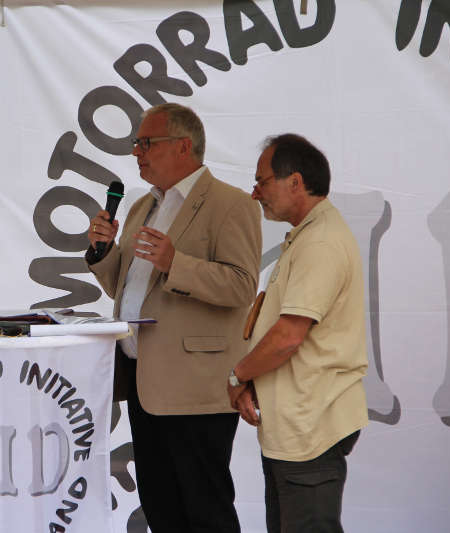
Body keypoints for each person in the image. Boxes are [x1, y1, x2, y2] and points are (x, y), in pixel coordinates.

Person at [86, 103, 262, 532]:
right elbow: (126, 290)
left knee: (205, 509)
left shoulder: (230, 204)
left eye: (146, 143)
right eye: (135, 144)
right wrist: (102, 252)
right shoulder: (144, 204)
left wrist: (175, 263)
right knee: (162, 508)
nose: (136, 152)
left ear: (184, 146)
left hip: (197, 387)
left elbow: (241, 285)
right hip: (146, 382)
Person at [228, 134, 369, 533]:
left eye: (262, 181)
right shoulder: (309, 233)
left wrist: (239, 375)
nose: (255, 193)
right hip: (296, 422)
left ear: (295, 182)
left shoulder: (321, 241)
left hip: (312, 425)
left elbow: (289, 336)